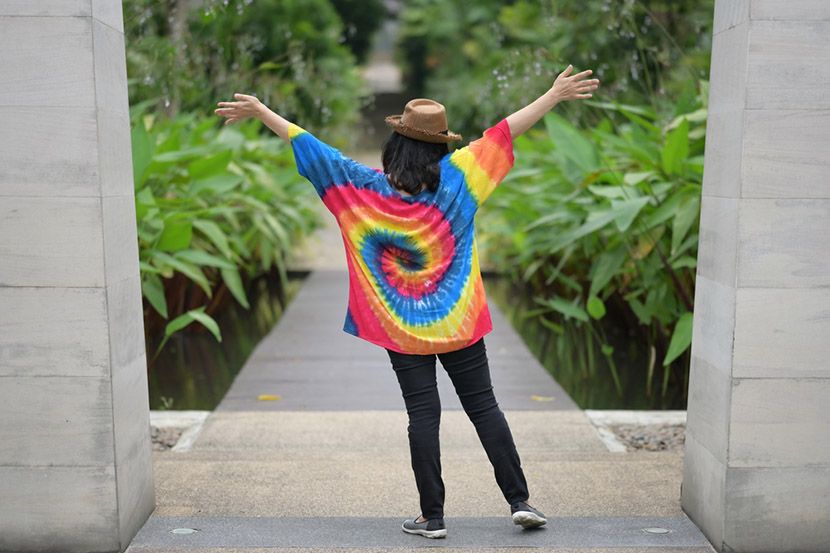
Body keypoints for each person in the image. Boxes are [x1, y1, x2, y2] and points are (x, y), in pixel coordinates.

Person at [215, 64, 599, 539]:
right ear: (441, 146)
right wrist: (553, 96)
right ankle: (520, 500)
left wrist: (260, 110)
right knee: (484, 407)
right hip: (456, 320)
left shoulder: (363, 187)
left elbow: (312, 146)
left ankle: (432, 519)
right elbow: (502, 131)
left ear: (395, 143)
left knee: (423, 414)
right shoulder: (461, 177)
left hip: (400, 325)